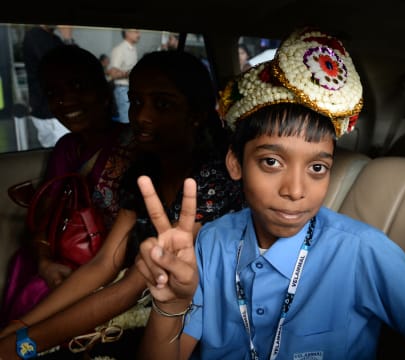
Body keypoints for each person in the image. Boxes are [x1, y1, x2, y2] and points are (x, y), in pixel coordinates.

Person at [135, 27, 405, 360]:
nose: (296, 191)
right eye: (271, 162)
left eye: (317, 168)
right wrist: (171, 305)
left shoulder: (363, 252)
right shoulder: (213, 241)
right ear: (236, 163)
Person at [0, 50, 244, 360]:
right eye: (136, 102)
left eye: (162, 104)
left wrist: (23, 345)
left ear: (195, 113)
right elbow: (105, 263)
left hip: (201, 322)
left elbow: (132, 286)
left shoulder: (211, 181)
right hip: (153, 302)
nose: (142, 116)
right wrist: (19, 326)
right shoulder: (146, 170)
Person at [0, 44, 135, 328]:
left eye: (77, 86)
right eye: (54, 93)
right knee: (35, 291)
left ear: (102, 90)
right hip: (65, 261)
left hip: (117, 267)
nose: (66, 100)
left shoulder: (134, 145)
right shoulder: (65, 149)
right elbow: (44, 222)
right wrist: (45, 262)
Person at [22, 25, 73, 148]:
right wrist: (67, 38)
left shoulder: (55, 39)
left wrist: (67, 39)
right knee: (65, 155)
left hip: (53, 108)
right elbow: (57, 66)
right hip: (48, 110)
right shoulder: (34, 35)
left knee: (59, 156)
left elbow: (75, 64)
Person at [109, 28, 141, 124]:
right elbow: (113, 74)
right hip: (122, 89)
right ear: (127, 33)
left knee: (132, 118)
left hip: (131, 89)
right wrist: (129, 73)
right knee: (126, 120)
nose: (139, 34)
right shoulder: (120, 49)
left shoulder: (133, 49)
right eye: (136, 31)